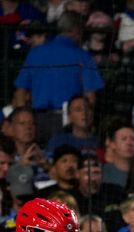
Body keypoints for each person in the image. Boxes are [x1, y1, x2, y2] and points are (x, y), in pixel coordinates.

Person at [13, 11, 104, 145]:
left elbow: (20, 92)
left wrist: (24, 120)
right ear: (76, 30)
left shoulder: (36, 53)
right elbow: (90, 96)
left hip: (38, 118)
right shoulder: (84, 57)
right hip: (68, 119)